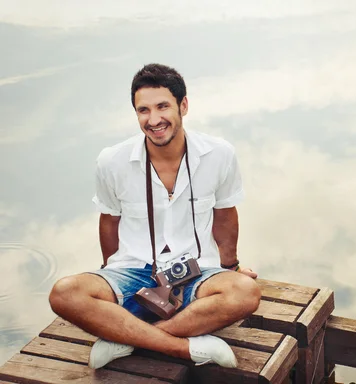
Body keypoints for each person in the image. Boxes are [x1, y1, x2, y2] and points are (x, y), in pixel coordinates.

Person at [48, 63, 261, 370]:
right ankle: (184, 348)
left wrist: (232, 267)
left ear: (183, 105)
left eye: (163, 107)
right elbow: (109, 220)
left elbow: (225, 214)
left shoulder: (219, 153)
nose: (154, 119)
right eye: (143, 110)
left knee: (244, 293)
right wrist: (109, 276)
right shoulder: (112, 161)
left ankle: (126, 338)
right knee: (64, 293)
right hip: (132, 269)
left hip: (196, 270)